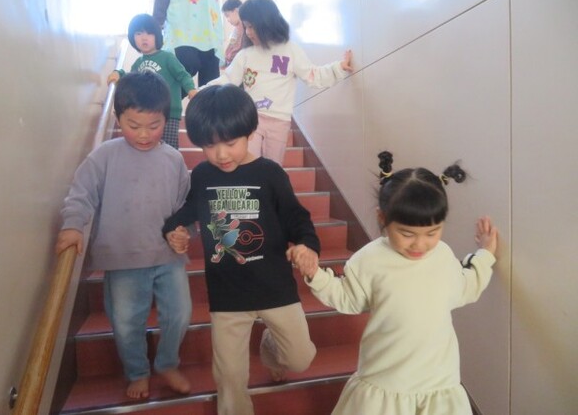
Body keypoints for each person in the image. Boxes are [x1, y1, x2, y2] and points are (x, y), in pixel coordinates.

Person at [295, 151, 499, 415]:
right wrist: (316, 274)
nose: (420, 244)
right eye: (406, 233)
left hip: (438, 381)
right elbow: (347, 298)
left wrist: (485, 253)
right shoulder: (369, 259)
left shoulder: (442, 255)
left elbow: (465, 287)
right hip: (386, 380)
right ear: (383, 219)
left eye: (432, 233)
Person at [162, 84, 319, 415]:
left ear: (249, 132)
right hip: (227, 293)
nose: (221, 155)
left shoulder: (270, 173)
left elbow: (296, 217)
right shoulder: (202, 175)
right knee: (230, 378)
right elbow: (188, 211)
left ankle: (270, 346)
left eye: (230, 143)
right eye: (209, 146)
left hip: (275, 286)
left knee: (300, 359)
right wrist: (174, 230)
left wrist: (307, 245)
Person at [56, 72, 192, 400]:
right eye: (134, 125)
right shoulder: (104, 156)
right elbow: (81, 193)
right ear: (118, 119)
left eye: (154, 125)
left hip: (168, 257)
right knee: (127, 321)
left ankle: (167, 363)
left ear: (166, 120)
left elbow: (184, 208)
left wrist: (184, 232)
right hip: (123, 259)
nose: (144, 134)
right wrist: (73, 225)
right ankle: (137, 372)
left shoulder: (174, 159)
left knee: (180, 314)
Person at [206, 0, 354, 165]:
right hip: (252, 119)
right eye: (246, 27)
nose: (248, 32)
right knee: (247, 164)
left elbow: (314, 75)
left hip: (279, 122)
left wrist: (339, 68)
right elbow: (228, 79)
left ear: (266, 23)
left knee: (273, 167)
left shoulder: (291, 51)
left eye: (251, 27)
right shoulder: (246, 55)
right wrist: (203, 91)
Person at [107, 13, 196, 150]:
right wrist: (118, 73)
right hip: (147, 113)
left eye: (149, 33)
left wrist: (191, 90)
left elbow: (183, 75)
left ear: (157, 36)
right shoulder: (138, 63)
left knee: (167, 148)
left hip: (169, 111)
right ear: (132, 38)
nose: (144, 37)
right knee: (148, 149)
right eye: (138, 33)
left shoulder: (167, 57)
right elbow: (130, 79)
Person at [153, 0, 224, 87]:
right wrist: (155, 28)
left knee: (211, 87)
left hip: (210, 37)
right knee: (180, 79)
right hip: (182, 34)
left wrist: (219, 38)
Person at [221, 0, 247, 68]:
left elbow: (239, 47)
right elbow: (232, 45)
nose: (227, 20)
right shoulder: (237, 28)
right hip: (232, 62)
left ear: (236, 11)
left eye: (227, 15)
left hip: (239, 63)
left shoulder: (244, 26)